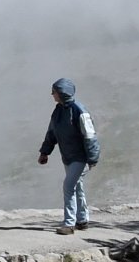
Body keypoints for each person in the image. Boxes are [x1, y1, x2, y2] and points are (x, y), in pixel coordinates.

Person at [37, 76, 101, 233]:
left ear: (62, 92)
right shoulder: (58, 111)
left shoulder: (80, 111)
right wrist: (45, 152)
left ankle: (69, 224)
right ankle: (82, 220)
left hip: (81, 157)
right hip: (68, 156)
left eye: (54, 92)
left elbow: (90, 136)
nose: (52, 94)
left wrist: (92, 158)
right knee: (77, 186)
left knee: (68, 185)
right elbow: (52, 132)